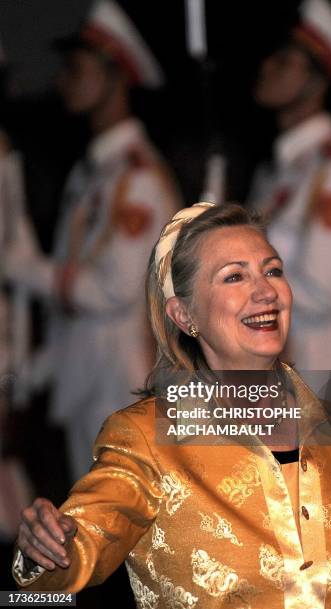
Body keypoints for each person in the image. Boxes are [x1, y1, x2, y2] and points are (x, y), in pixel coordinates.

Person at [12, 203, 331, 609]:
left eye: (272, 271)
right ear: (184, 315)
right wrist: (47, 546)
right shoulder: (148, 437)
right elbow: (84, 544)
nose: (266, 291)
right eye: (234, 276)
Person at [2, 0, 181, 482]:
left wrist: (18, 265)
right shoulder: (94, 170)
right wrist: (32, 369)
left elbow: (111, 288)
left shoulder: (137, 177)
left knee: (129, 533)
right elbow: (73, 298)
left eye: (77, 68)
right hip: (86, 374)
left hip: (122, 379)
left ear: (115, 75)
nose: (64, 80)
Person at [248, 0, 331, 370]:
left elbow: (323, 290)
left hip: (318, 362)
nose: (267, 68)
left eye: (284, 63)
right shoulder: (277, 169)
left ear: (316, 81)